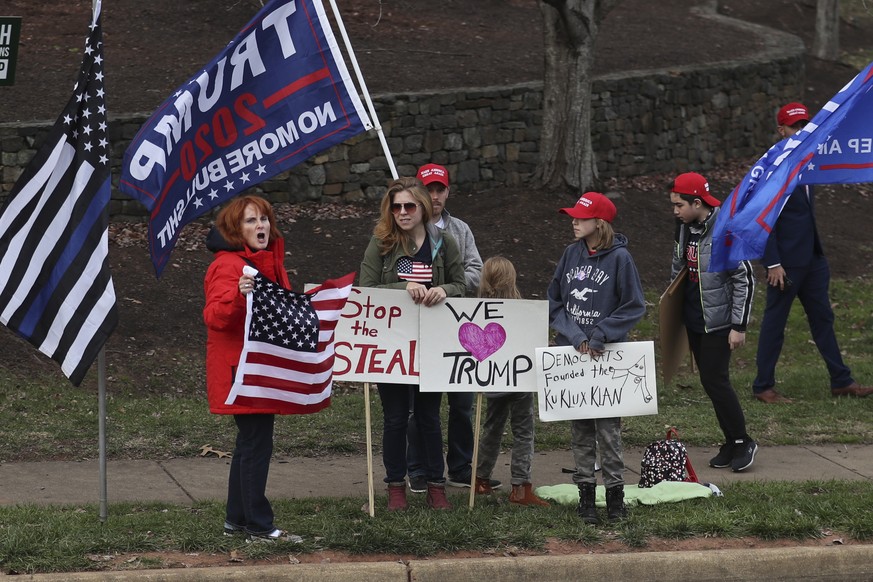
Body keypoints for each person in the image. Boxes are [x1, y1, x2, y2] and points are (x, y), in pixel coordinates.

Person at [752, 102, 873, 403]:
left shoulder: (809, 161)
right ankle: (763, 386)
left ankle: (841, 381)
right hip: (786, 264)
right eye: (795, 127)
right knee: (774, 324)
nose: (802, 131)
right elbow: (762, 217)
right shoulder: (774, 166)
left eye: (805, 125)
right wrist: (773, 262)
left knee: (823, 319)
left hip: (813, 259)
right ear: (781, 130)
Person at [359, 176, 467, 511]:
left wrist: (444, 290)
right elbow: (365, 288)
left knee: (428, 418)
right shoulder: (382, 242)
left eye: (409, 205)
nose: (403, 212)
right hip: (392, 343)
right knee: (394, 419)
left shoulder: (444, 241)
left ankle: (436, 486)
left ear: (422, 206)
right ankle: (395, 487)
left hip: (431, 341)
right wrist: (401, 288)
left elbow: (461, 283)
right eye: (396, 207)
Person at [547, 192, 645, 524]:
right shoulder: (569, 254)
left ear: (598, 223)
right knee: (580, 431)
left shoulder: (621, 259)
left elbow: (634, 305)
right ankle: (585, 497)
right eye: (572, 216)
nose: (573, 221)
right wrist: (574, 335)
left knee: (609, 432)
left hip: (608, 359)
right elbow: (554, 302)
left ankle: (616, 498)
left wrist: (602, 332)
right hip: (574, 358)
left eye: (580, 217)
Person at [203, 195, 292, 541]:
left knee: (250, 443)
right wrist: (239, 295)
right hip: (240, 371)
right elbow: (214, 317)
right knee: (256, 443)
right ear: (235, 230)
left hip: (257, 366)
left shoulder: (267, 260)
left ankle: (236, 520)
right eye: (251, 221)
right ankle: (258, 523)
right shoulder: (227, 266)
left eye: (264, 219)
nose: (261, 226)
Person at [405, 163, 496, 494]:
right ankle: (418, 469)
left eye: (440, 189)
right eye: (428, 189)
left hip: (459, 328)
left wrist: (450, 286)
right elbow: (395, 275)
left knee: (462, 402)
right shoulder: (405, 228)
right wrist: (414, 286)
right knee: (419, 406)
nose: (435, 196)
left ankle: (460, 467)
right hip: (417, 327)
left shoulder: (460, 230)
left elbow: (476, 269)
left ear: (448, 191)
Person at [669, 172, 758, 472]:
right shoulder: (684, 228)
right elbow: (678, 268)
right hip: (694, 318)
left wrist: (739, 326)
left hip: (718, 323)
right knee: (710, 382)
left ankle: (743, 441)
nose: (675, 211)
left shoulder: (725, 230)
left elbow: (744, 278)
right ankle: (731, 442)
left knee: (716, 380)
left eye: (679, 205)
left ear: (697, 202)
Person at [474, 256, 549, 507]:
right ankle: (520, 486)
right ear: (512, 279)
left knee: (491, 430)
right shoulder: (524, 311)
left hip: (493, 382)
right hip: (519, 380)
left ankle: (481, 479)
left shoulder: (476, 310)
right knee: (523, 432)